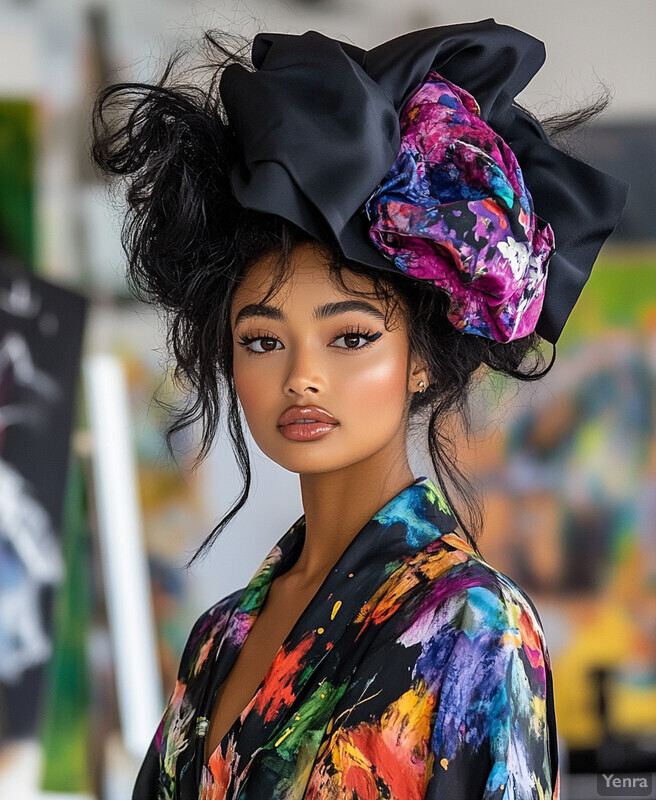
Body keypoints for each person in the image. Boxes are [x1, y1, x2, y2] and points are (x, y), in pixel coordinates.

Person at [91, 18, 627, 800]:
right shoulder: (215, 643)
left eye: (348, 337)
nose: (303, 377)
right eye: (263, 341)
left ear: (420, 361)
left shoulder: (476, 627)